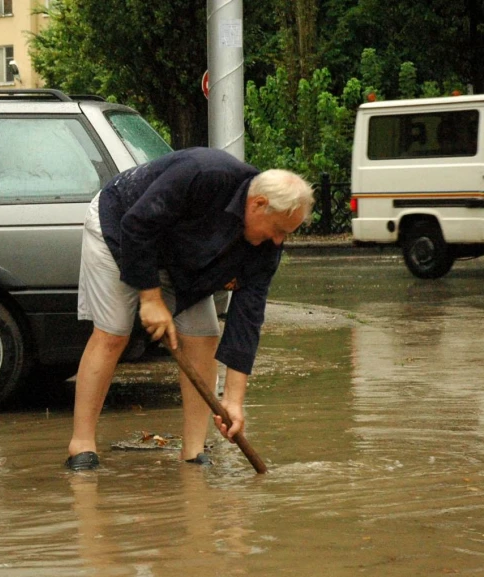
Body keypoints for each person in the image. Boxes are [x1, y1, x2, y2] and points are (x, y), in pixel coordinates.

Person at [66, 147, 314, 470]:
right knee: (113, 332)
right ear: (258, 205)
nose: (279, 241)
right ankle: (81, 445)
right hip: (120, 226)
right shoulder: (204, 174)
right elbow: (138, 224)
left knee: (203, 336)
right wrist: (151, 299)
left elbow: (247, 317)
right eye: (279, 230)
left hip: (178, 258)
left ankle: (193, 452)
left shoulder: (267, 248)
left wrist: (234, 402)